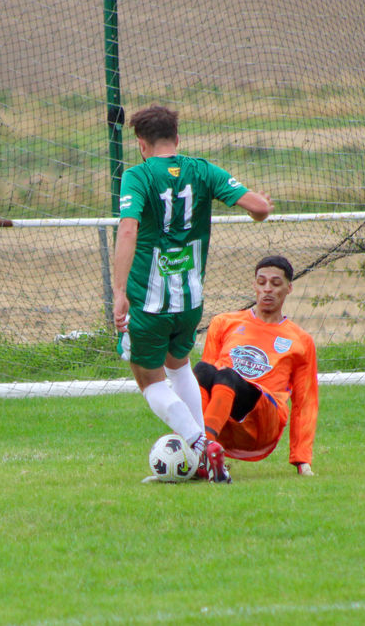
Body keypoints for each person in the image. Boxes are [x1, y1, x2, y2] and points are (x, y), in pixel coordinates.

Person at [112, 104, 273, 482]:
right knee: (179, 365)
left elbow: (128, 231)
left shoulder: (137, 176)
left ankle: (201, 446)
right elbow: (259, 207)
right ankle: (203, 462)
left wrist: (119, 292)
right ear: (177, 139)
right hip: (189, 301)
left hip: (149, 302)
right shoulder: (202, 170)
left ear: (141, 144)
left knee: (149, 380)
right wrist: (258, 209)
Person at [193, 255, 318, 482]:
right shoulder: (224, 323)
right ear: (254, 285)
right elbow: (203, 386)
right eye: (261, 283)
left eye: (275, 283)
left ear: (289, 288)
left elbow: (305, 402)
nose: (267, 289)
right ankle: (191, 450)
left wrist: (302, 460)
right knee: (202, 370)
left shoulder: (300, 340)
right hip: (224, 418)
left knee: (227, 375)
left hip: (263, 424)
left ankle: (200, 450)